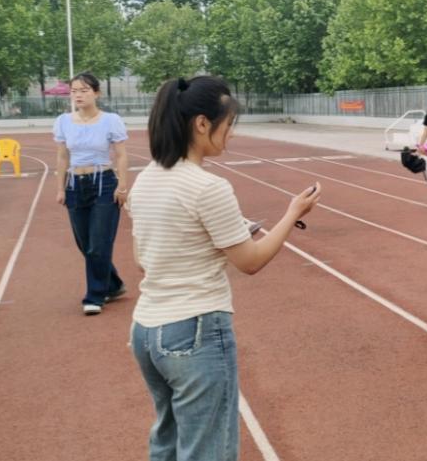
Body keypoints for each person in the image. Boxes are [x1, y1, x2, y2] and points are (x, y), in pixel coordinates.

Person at [128, 76, 320, 461]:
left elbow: (143, 256)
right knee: (208, 450)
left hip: (146, 330)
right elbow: (250, 261)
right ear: (202, 124)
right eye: (229, 124)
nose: (231, 134)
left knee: (167, 443)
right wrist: (293, 213)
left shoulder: (145, 179)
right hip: (193, 329)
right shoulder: (207, 187)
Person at [53, 71, 130, 316]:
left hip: (104, 184)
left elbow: (121, 155)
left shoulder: (111, 120)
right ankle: (113, 284)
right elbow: (62, 157)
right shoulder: (63, 121)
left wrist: (122, 186)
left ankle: (95, 296)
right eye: (74, 91)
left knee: (99, 244)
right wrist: (60, 188)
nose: (78, 95)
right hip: (75, 185)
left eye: (84, 90)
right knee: (85, 244)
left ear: (96, 93)